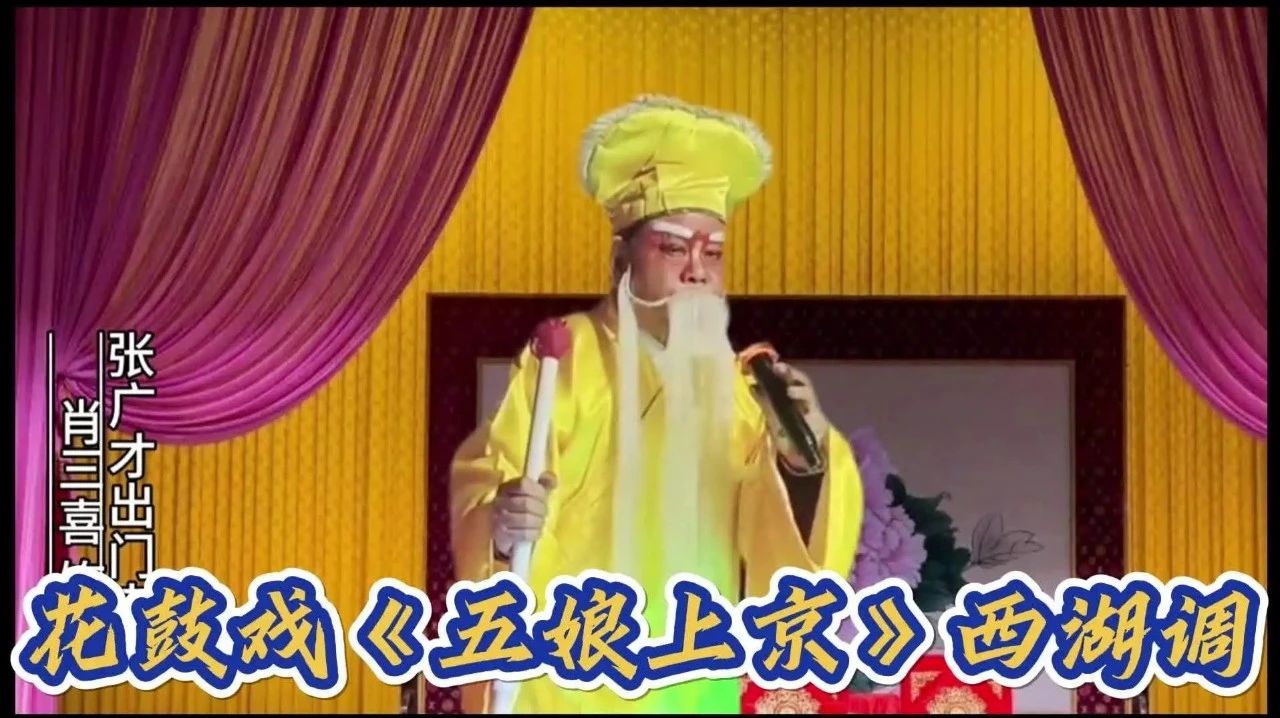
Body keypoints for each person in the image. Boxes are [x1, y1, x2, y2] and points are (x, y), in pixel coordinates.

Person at [449, 94, 864, 714]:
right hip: (574, 681)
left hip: (694, 678)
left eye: (713, 253)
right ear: (621, 259)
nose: (697, 271)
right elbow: (496, 476)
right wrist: (505, 527)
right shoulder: (567, 357)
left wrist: (803, 462)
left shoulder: (739, 390)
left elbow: (784, 560)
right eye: (673, 249)